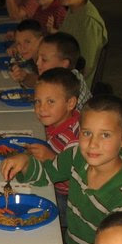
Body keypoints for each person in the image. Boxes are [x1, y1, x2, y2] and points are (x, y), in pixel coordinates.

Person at [1, 95, 122, 244]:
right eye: (87, 133)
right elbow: (47, 174)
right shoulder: (77, 155)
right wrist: (25, 163)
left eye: (105, 135)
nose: (93, 144)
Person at [32, 67, 81, 228]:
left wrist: (52, 158)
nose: (41, 108)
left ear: (70, 103)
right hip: (53, 184)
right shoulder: (56, 121)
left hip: (68, 200)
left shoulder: (75, 138)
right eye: (37, 101)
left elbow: (78, 183)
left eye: (50, 102)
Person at [52, 0, 107, 86]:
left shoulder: (89, 22)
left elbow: (85, 68)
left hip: (74, 84)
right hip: (63, 72)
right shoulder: (73, 9)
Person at [36, 31, 91, 111]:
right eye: (38, 57)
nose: (37, 63)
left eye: (44, 60)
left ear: (64, 64)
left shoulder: (72, 85)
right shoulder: (58, 80)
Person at [8, 19, 44, 88]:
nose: (22, 48)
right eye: (18, 43)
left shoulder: (47, 58)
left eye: (27, 42)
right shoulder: (32, 57)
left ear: (40, 40)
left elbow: (48, 83)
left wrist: (25, 77)